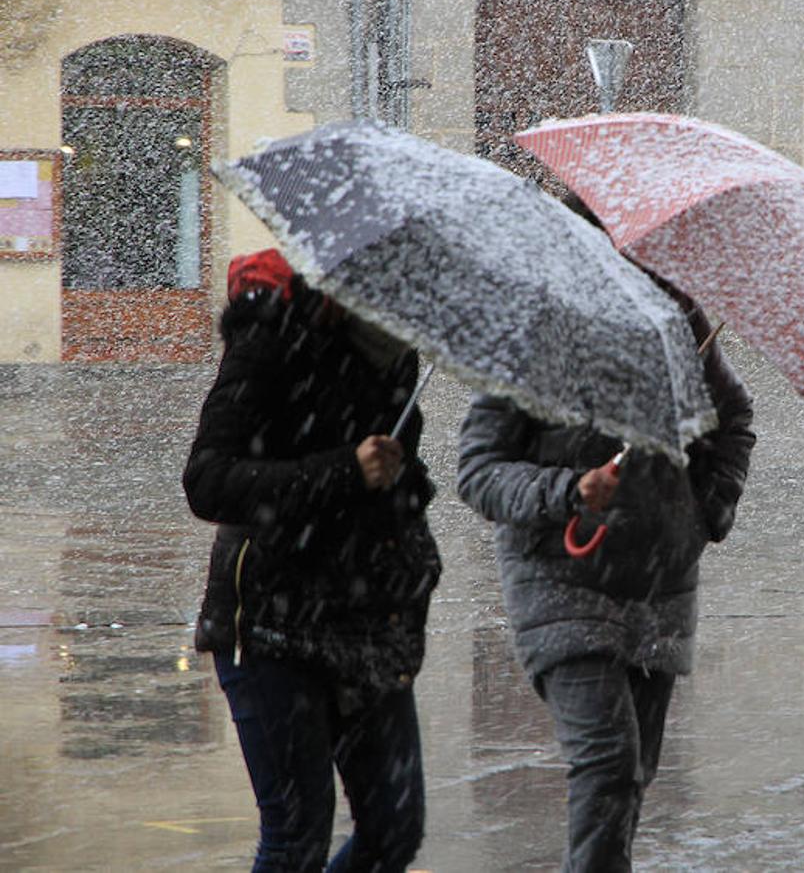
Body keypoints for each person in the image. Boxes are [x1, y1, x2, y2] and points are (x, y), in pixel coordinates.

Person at [456, 270, 755, 871]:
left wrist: (702, 515)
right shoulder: (529, 338)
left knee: (631, 776)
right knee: (609, 761)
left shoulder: (682, 323)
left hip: (659, 587)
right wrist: (569, 490)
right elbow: (480, 471)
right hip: (560, 582)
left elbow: (734, 423)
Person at [183, 248, 442, 872]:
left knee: (395, 828)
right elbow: (209, 480)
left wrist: (399, 486)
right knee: (298, 836)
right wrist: (343, 472)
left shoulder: (393, 354)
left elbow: (395, 482)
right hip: (273, 623)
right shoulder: (272, 335)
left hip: (366, 623)